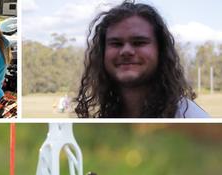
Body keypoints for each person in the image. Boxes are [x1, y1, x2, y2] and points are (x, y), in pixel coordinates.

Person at [75, 1, 208, 118]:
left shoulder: (188, 116)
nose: (126, 51)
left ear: (160, 51)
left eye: (139, 42)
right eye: (116, 43)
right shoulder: (109, 116)